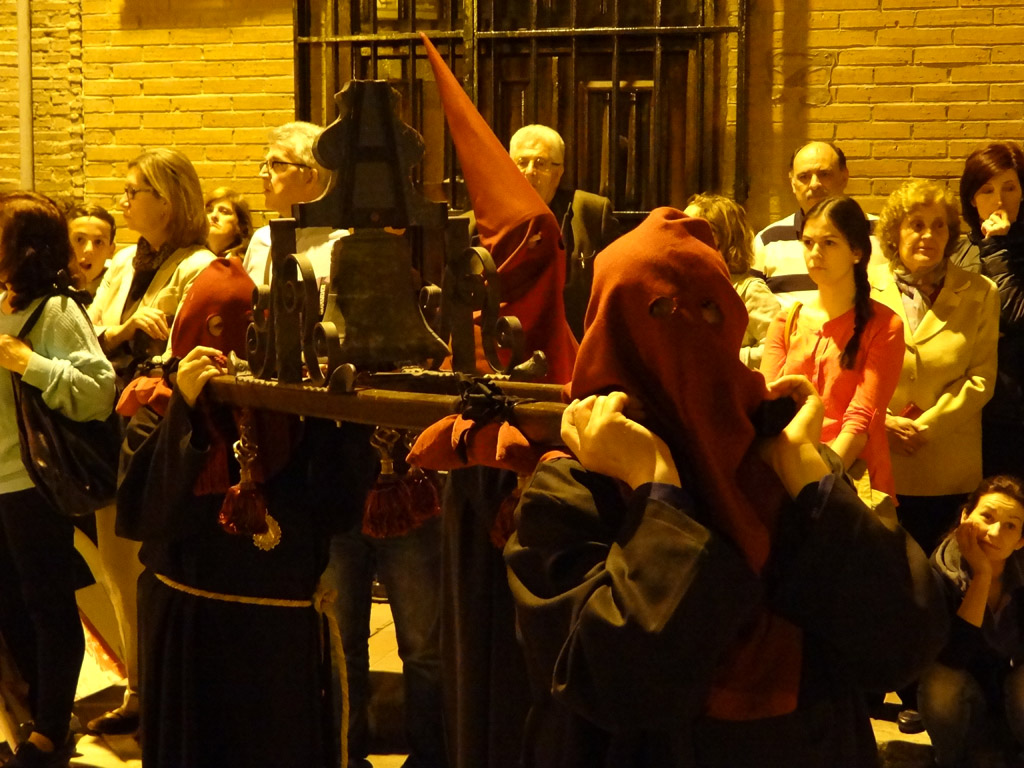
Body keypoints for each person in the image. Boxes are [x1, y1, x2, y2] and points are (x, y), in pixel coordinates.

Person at [504, 205, 946, 767]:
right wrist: (655, 489)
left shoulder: (774, 452)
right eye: (658, 312)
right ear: (612, 327)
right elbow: (616, 681)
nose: (687, 331)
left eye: (710, 311)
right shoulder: (574, 486)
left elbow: (905, 638)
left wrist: (807, 475)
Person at [116, 257, 371, 768]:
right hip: (195, 633)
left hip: (278, 640)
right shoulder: (158, 408)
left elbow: (335, 511)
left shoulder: (290, 413)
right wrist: (186, 410)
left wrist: (337, 420)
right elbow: (146, 515)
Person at [85, 147, 216, 737]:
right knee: (114, 563)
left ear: (166, 200)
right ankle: (138, 685)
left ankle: (165, 686)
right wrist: (122, 330)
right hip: (103, 425)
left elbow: (182, 352)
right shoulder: (119, 265)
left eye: (133, 192)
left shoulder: (197, 265)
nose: (124, 201)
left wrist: (133, 342)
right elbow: (90, 334)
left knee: (151, 560)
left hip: (155, 429)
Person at [0, 192, 116, 768]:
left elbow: (99, 393)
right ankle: (39, 711)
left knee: (46, 602)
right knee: (8, 603)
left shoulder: (56, 310)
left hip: (30, 480)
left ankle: (50, 729)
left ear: (21, 248)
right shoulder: (3, 302)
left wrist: (31, 363)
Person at [870, 180, 999, 555]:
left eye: (938, 225)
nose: (928, 235)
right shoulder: (864, 287)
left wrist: (924, 428)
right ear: (895, 233)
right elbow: (850, 372)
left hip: (949, 470)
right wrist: (883, 424)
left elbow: (981, 379)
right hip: (880, 464)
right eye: (916, 224)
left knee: (944, 581)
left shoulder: (981, 292)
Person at [762, 195, 904, 499]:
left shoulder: (885, 325)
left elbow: (862, 417)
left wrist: (822, 483)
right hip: (785, 479)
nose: (815, 253)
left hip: (850, 482)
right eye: (808, 242)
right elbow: (767, 403)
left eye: (829, 243)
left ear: (855, 251)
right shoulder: (786, 321)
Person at [918, 475, 1024, 768]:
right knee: (941, 682)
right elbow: (954, 658)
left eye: (1011, 525)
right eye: (986, 516)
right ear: (966, 515)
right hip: (963, 698)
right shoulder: (941, 570)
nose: (994, 532)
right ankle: (950, 761)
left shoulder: (1020, 576)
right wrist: (982, 575)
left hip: (1007, 696)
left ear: (1020, 541)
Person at [951, 140, 1024, 479]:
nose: (999, 201)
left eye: (1010, 187)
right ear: (971, 198)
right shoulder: (960, 253)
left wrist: (997, 247)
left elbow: (1017, 315)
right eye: (987, 190)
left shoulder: (1002, 249)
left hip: (1015, 410)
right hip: (968, 412)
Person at [508, 124, 619, 339]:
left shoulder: (591, 212)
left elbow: (615, 286)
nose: (530, 171)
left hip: (576, 341)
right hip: (511, 344)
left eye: (541, 163)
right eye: (522, 162)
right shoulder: (485, 219)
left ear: (558, 172)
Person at [755, 141, 881, 310]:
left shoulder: (883, 235)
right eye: (804, 177)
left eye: (824, 174)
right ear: (792, 183)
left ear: (844, 176)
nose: (814, 184)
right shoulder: (768, 242)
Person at [683, 192, 780, 370]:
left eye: (688, 230)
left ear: (716, 238)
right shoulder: (688, 287)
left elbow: (777, 347)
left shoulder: (750, 290)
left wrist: (727, 357)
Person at [242, 121, 340, 287]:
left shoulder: (339, 245)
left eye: (277, 164)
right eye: (265, 164)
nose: (263, 174)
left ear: (310, 177)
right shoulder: (262, 240)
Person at [65, 204, 117, 296]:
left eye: (98, 242)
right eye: (79, 239)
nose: (88, 249)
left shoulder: (120, 291)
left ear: (111, 250)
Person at [204, 187, 252, 258]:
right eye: (209, 210)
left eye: (224, 212)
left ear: (240, 225)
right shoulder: (191, 257)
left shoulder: (245, 263)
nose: (213, 215)